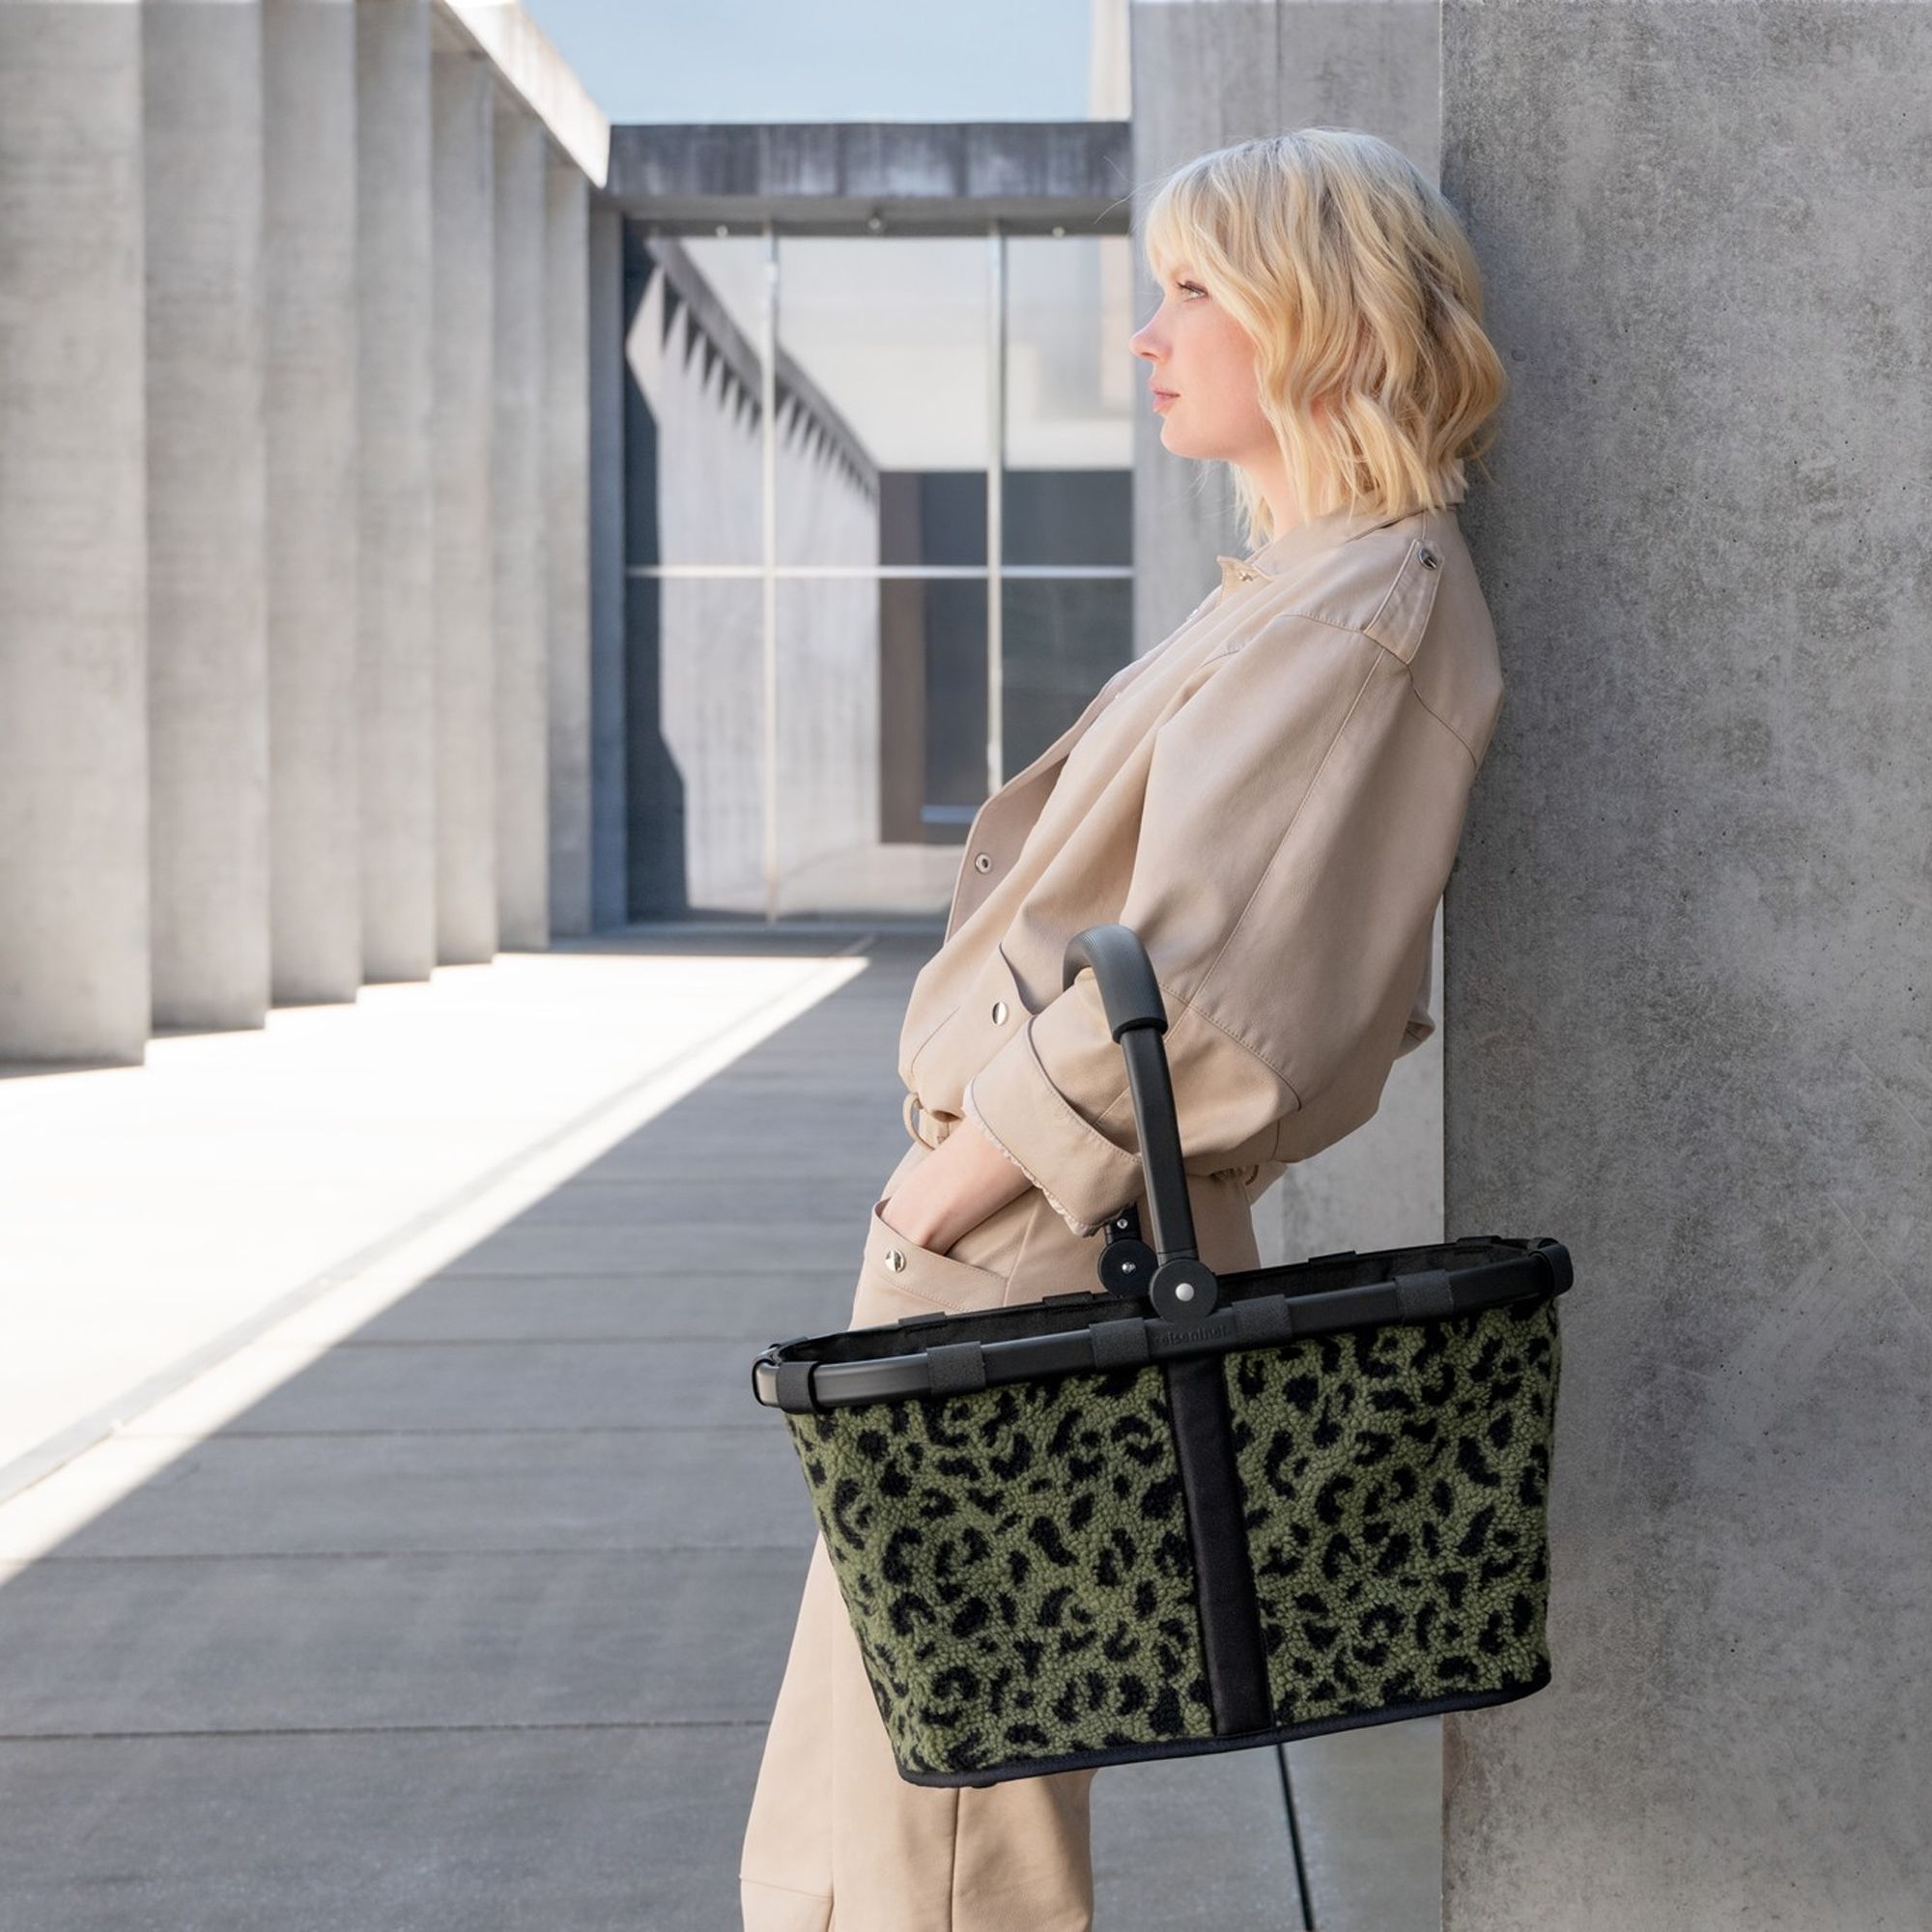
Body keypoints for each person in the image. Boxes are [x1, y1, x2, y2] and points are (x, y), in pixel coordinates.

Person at [739, 126, 1511, 1931]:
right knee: (888, 1779)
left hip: (1029, 1234)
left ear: (1314, 317)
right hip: (1008, 1215)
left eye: (1190, 289)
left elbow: (1224, 987)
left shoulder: (1370, 605)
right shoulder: (1306, 581)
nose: (1146, 333)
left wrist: (963, 1191)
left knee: (936, 1830)